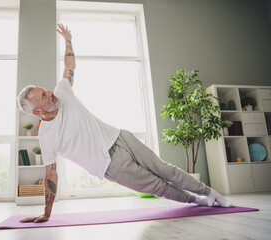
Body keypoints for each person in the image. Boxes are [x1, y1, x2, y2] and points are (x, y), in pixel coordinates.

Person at [17, 24, 234, 223]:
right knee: (160, 187)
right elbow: (51, 174)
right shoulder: (46, 136)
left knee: (165, 169)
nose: (49, 94)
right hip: (110, 165)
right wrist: (47, 212)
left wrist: (68, 40)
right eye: (43, 97)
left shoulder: (62, 91)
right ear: (37, 111)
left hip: (121, 137)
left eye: (44, 91)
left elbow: (70, 65)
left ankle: (211, 193)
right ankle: (197, 201)